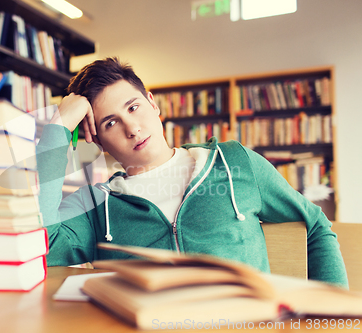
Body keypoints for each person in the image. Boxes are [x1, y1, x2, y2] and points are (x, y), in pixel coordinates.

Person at [36, 57, 348, 287]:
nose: (132, 128)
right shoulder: (96, 206)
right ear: (97, 140)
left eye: (133, 108)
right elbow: (41, 247)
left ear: (152, 104)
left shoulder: (234, 161)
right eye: (111, 123)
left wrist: (331, 317)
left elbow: (317, 225)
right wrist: (58, 127)